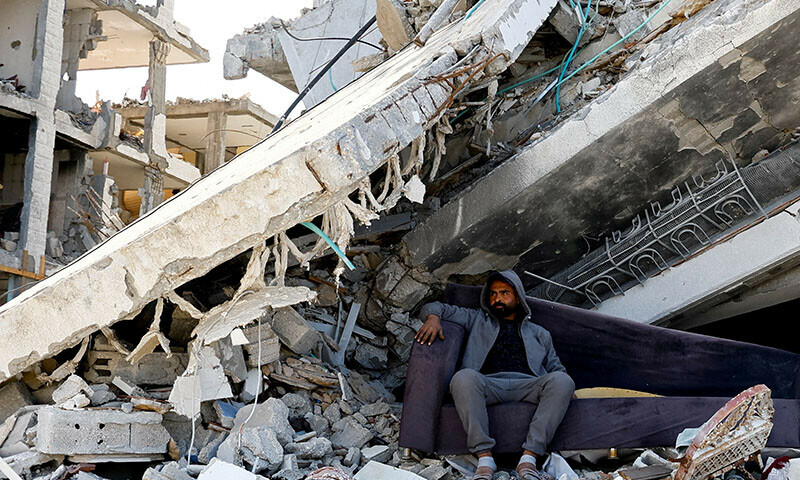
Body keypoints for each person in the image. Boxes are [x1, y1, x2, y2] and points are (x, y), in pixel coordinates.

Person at [415, 270, 574, 480]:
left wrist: (565, 391)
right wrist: (433, 318)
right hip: (488, 384)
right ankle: (484, 459)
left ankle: (529, 459)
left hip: (529, 385)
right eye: (492, 294)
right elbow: (431, 307)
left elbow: (557, 369)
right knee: (463, 378)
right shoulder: (476, 319)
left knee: (563, 381)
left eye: (504, 293)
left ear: (517, 297)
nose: (497, 298)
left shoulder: (539, 333)